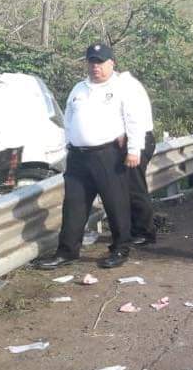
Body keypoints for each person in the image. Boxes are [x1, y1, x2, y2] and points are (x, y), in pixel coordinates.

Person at [33, 43, 147, 270]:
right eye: (92, 62)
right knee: (74, 205)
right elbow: (68, 118)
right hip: (78, 157)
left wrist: (134, 149)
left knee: (116, 204)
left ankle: (120, 248)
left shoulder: (122, 87)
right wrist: (67, 144)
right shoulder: (79, 88)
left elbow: (134, 119)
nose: (96, 67)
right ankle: (67, 251)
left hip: (107, 155)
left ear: (111, 63)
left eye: (101, 62)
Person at [119, 71, 156, 246]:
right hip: (136, 140)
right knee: (130, 187)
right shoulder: (128, 84)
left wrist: (133, 149)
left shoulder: (126, 87)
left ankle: (144, 231)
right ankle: (136, 229)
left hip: (137, 141)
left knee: (135, 187)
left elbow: (134, 121)